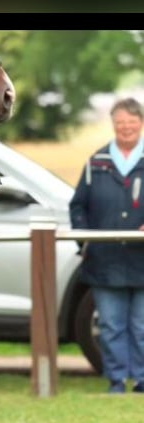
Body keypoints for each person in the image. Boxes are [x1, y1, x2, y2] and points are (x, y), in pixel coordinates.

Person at [69, 97, 144, 394]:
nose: (126, 128)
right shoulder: (96, 162)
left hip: (142, 262)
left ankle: (141, 380)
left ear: (140, 124)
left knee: (142, 327)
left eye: (132, 122)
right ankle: (116, 380)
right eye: (120, 123)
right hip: (104, 261)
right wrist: (85, 241)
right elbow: (78, 207)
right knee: (111, 325)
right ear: (113, 125)